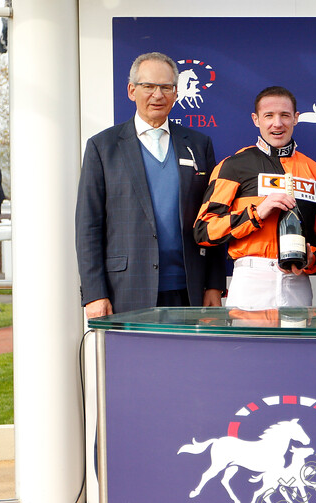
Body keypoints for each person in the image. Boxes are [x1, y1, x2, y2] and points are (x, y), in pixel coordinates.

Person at [75, 52, 226, 318]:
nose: (158, 95)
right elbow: (88, 226)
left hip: (189, 289)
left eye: (166, 87)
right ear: (132, 90)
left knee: (190, 361)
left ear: (176, 93)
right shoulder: (103, 147)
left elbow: (214, 216)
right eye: (149, 86)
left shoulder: (199, 144)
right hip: (126, 289)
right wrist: (95, 293)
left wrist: (214, 284)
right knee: (133, 361)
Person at [195, 86, 316, 310]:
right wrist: (256, 213)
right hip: (251, 280)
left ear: (296, 118)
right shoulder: (233, 166)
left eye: (285, 115)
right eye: (269, 116)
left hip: (298, 281)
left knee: (297, 345)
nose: (277, 123)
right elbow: (204, 230)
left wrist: (313, 258)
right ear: (256, 119)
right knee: (248, 346)